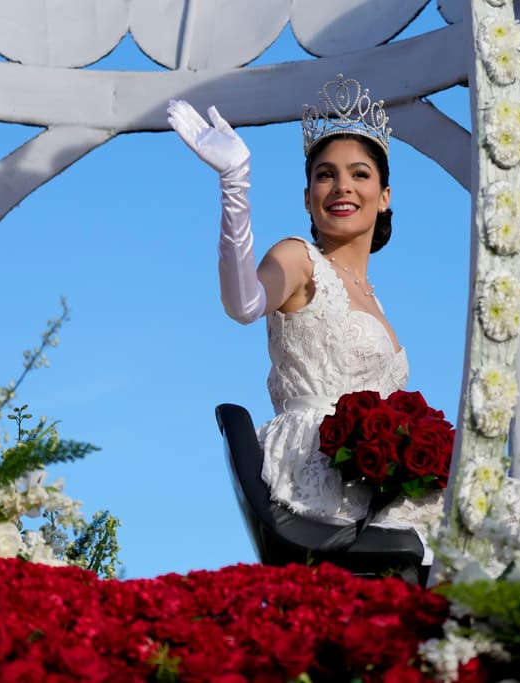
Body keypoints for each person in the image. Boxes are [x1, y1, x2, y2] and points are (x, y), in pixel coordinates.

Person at [167, 75, 442, 556]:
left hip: (379, 473)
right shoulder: (299, 258)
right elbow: (244, 303)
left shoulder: (376, 300)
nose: (342, 186)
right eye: (325, 174)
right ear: (307, 196)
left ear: (385, 196)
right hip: (317, 458)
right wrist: (235, 183)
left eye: (359, 174)